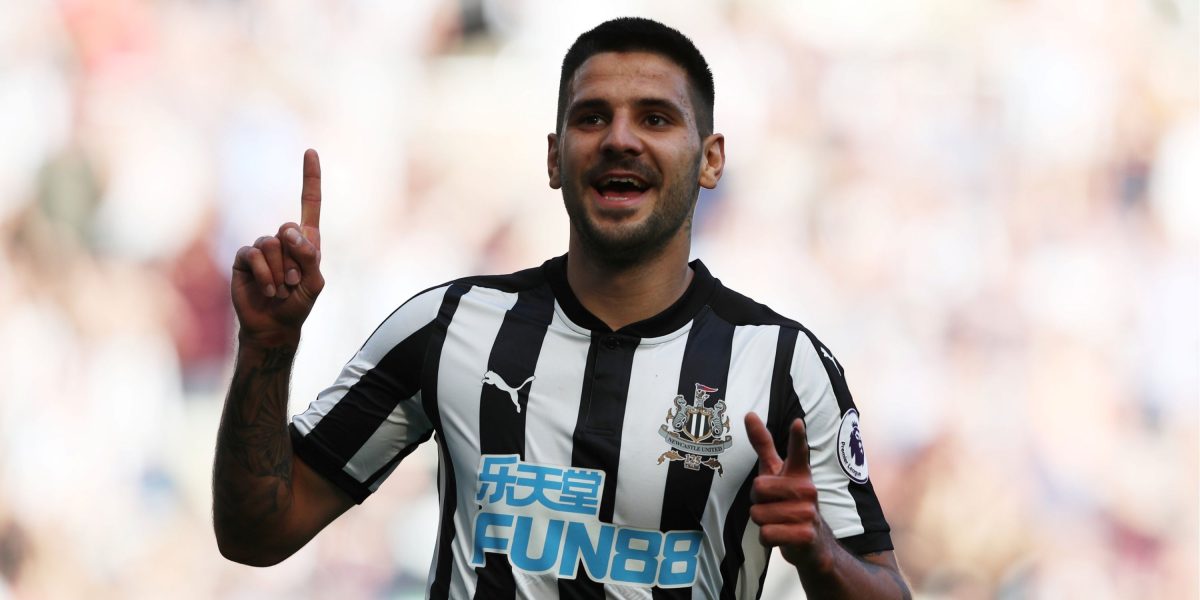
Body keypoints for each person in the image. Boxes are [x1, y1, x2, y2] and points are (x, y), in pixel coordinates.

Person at [213, 17, 911, 599]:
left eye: (656, 118)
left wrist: (821, 554)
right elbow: (256, 533)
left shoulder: (782, 364)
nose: (620, 138)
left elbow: (884, 586)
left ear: (710, 159)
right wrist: (267, 348)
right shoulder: (449, 325)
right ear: (554, 158)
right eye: (592, 117)